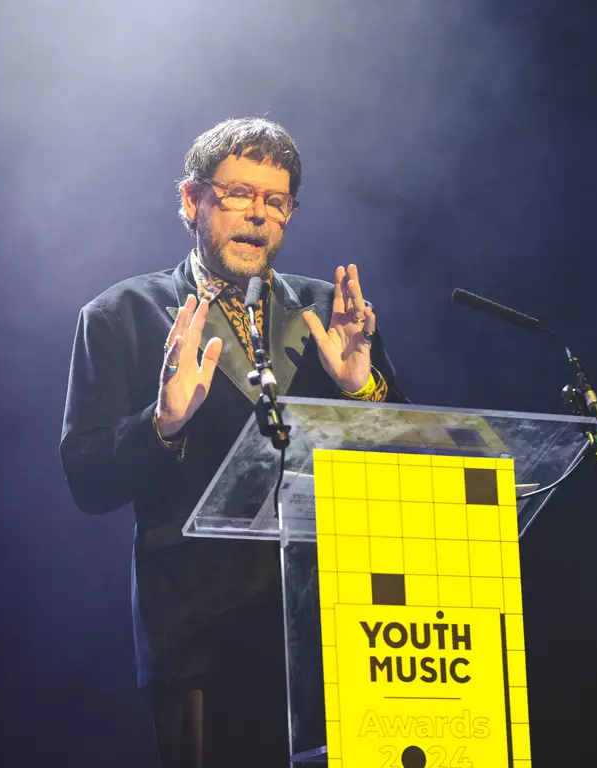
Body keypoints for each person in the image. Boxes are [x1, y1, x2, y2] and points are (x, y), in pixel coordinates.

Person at [60, 117, 408, 768]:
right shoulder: (120, 316)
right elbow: (88, 480)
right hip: (198, 635)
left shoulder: (327, 313)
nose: (258, 215)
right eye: (238, 194)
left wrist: (365, 389)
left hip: (332, 629)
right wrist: (160, 423)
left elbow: (408, 469)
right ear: (192, 201)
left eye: (276, 201)